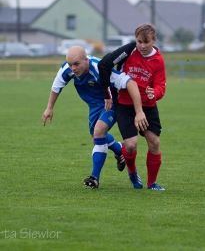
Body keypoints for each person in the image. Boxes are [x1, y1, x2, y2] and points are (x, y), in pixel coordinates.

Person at [42, 46, 145, 189]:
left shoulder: (99, 68)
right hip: (93, 107)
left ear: (86, 60)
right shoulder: (66, 68)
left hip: (110, 103)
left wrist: (139, 110)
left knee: (99, 132)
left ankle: (94, 177)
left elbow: (127, 81)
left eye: (76, 64)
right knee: (96, 138)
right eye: (70, 64)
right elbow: (57, 86)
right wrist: (49, 107)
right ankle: (118, 148)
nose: (73, 68)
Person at [98, 24, 166, 190]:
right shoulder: (128, 52)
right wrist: (108, 92)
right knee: (130, 145)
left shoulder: (158, 60)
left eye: (146, 42)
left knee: (154, 143)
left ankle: (152, 183)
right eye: (139, 42)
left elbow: (161, 86)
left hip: (148, 106)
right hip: (125, 105)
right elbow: (105, 64)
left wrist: (154, 93)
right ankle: (132, 172)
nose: (142, 46)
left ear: (154, 40)